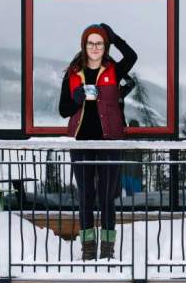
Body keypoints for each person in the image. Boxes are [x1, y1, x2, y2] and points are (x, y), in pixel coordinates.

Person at [58, 23, 137, 260]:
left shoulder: (114, 70)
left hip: (109, 141)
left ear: (105, 46)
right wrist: (77, 99)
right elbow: (63, 110)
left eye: (100, 43)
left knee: (106, 196)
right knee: (86, 196)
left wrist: (115, 36)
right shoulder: (72, 74)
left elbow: (132, 56)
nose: (95, 47)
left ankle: (108, 247)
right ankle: (88, 247)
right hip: (81, 142)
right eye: (91, 43)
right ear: (84, 45)